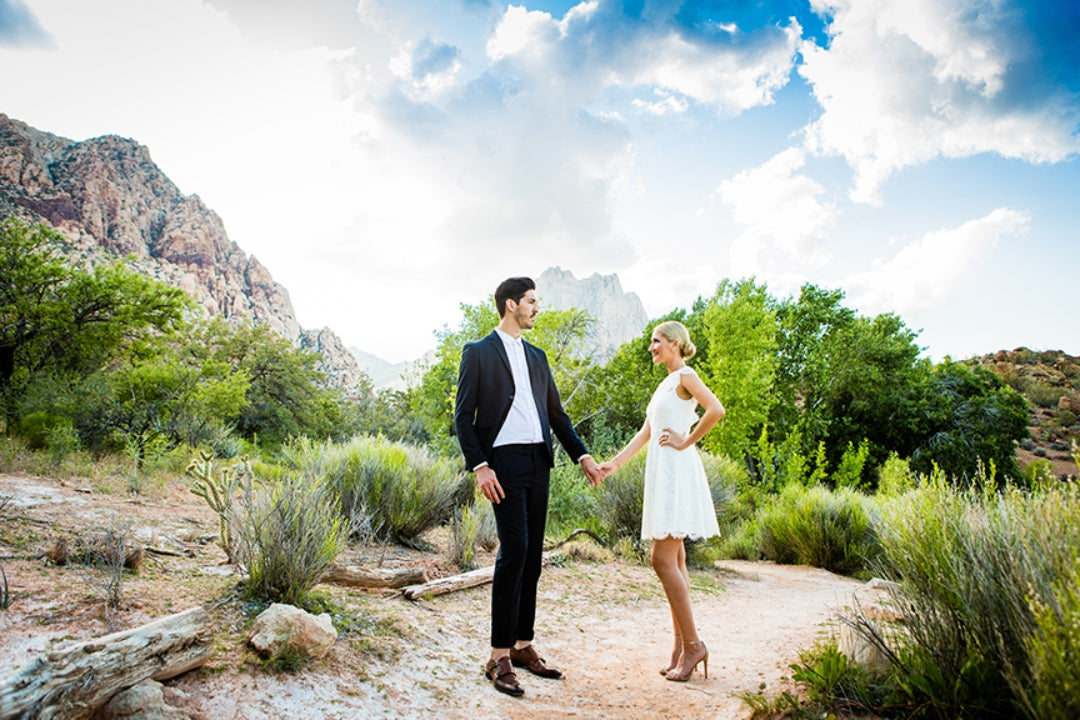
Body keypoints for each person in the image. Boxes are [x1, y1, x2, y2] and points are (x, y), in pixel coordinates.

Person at [454, 276, 604, 697]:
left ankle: (522, 645)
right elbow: (463, 416)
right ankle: (498, 655)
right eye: (532, 301)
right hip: (502, 463)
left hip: (539, 461)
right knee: (514, 550)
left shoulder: (538, 356)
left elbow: (557, 415)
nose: (537, 308)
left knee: (533, 555)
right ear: (510, 304)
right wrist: (480, 466)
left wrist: (583, 456)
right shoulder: (478, 352)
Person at [598, 320, 725, 682]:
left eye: (656, 341)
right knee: (677, 560)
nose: (651, 347)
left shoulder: (687, 376)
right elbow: (647, 432)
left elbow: (716, 410)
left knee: (661, 559)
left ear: (673, 342)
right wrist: (614, 465)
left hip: (677, 473)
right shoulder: (665, 384)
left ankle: (694, 644)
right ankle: (681, 647)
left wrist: (686, 441)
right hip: (662, 472)